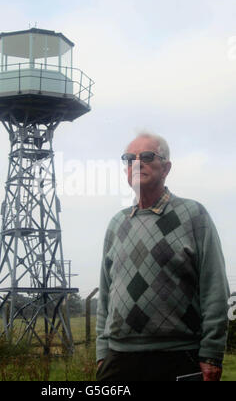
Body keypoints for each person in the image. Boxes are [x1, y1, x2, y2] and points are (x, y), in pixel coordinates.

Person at [96, 132, 230, 382]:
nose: (136, 163)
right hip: (119, 359)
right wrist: (102, 354)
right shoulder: (117, 223)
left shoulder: (194, 215)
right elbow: (105, 295)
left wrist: (211, 354)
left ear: (166, 167)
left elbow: (215, 289)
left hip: (178, 357)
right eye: (129, 159)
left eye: (147, 156)